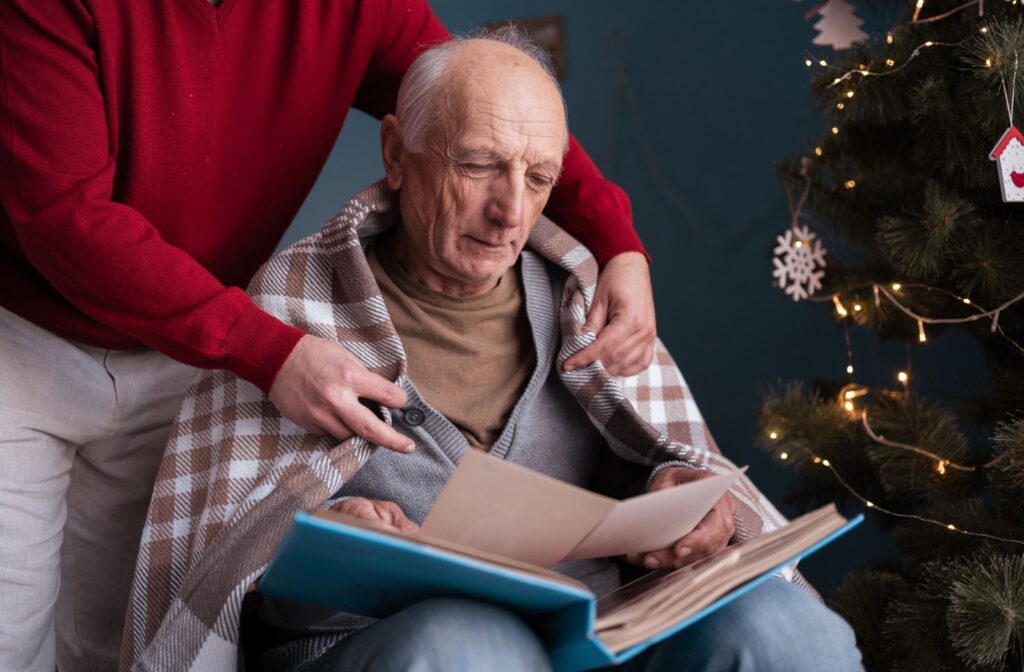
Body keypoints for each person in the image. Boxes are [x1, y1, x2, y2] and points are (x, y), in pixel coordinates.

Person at [123, 30, 863, 672]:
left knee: (785, 630)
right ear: (397, 154)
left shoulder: (584, 302)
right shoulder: (294, 306)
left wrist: (682, 492)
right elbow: (224, 572)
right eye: (479, 164)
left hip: (602, 629)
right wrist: (311, 544)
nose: (511, 210)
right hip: (384, 643)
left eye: (539, 177)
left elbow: (658, 447)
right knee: (473, 649)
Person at [0, 2, 657, 671]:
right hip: (26, 349)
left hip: (184, 352)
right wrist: (267, 349)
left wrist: (618, 243)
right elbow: (61, 216)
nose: (510, 209)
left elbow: (494, 108)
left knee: (107, 647)